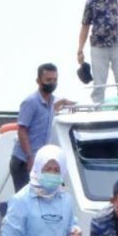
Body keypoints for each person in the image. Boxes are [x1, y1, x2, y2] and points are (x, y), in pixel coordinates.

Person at [1, 145, 81, 236]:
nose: (52, 174)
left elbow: (69, 229)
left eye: (56, 170)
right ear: (37, 169)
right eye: (47, 169)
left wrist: (75, 232)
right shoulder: (21, 200)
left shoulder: (66, 199)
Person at [12, 64, 73, 192]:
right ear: (38, 81)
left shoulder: (51, 101)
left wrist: (64, 102)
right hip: (24, 161)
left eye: (54, 80)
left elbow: (46, 113)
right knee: (26, 198)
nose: (52, 83)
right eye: (48, 80)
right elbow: (22, 130)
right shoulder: (30, 102)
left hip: (39, 160)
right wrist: (30, 157)